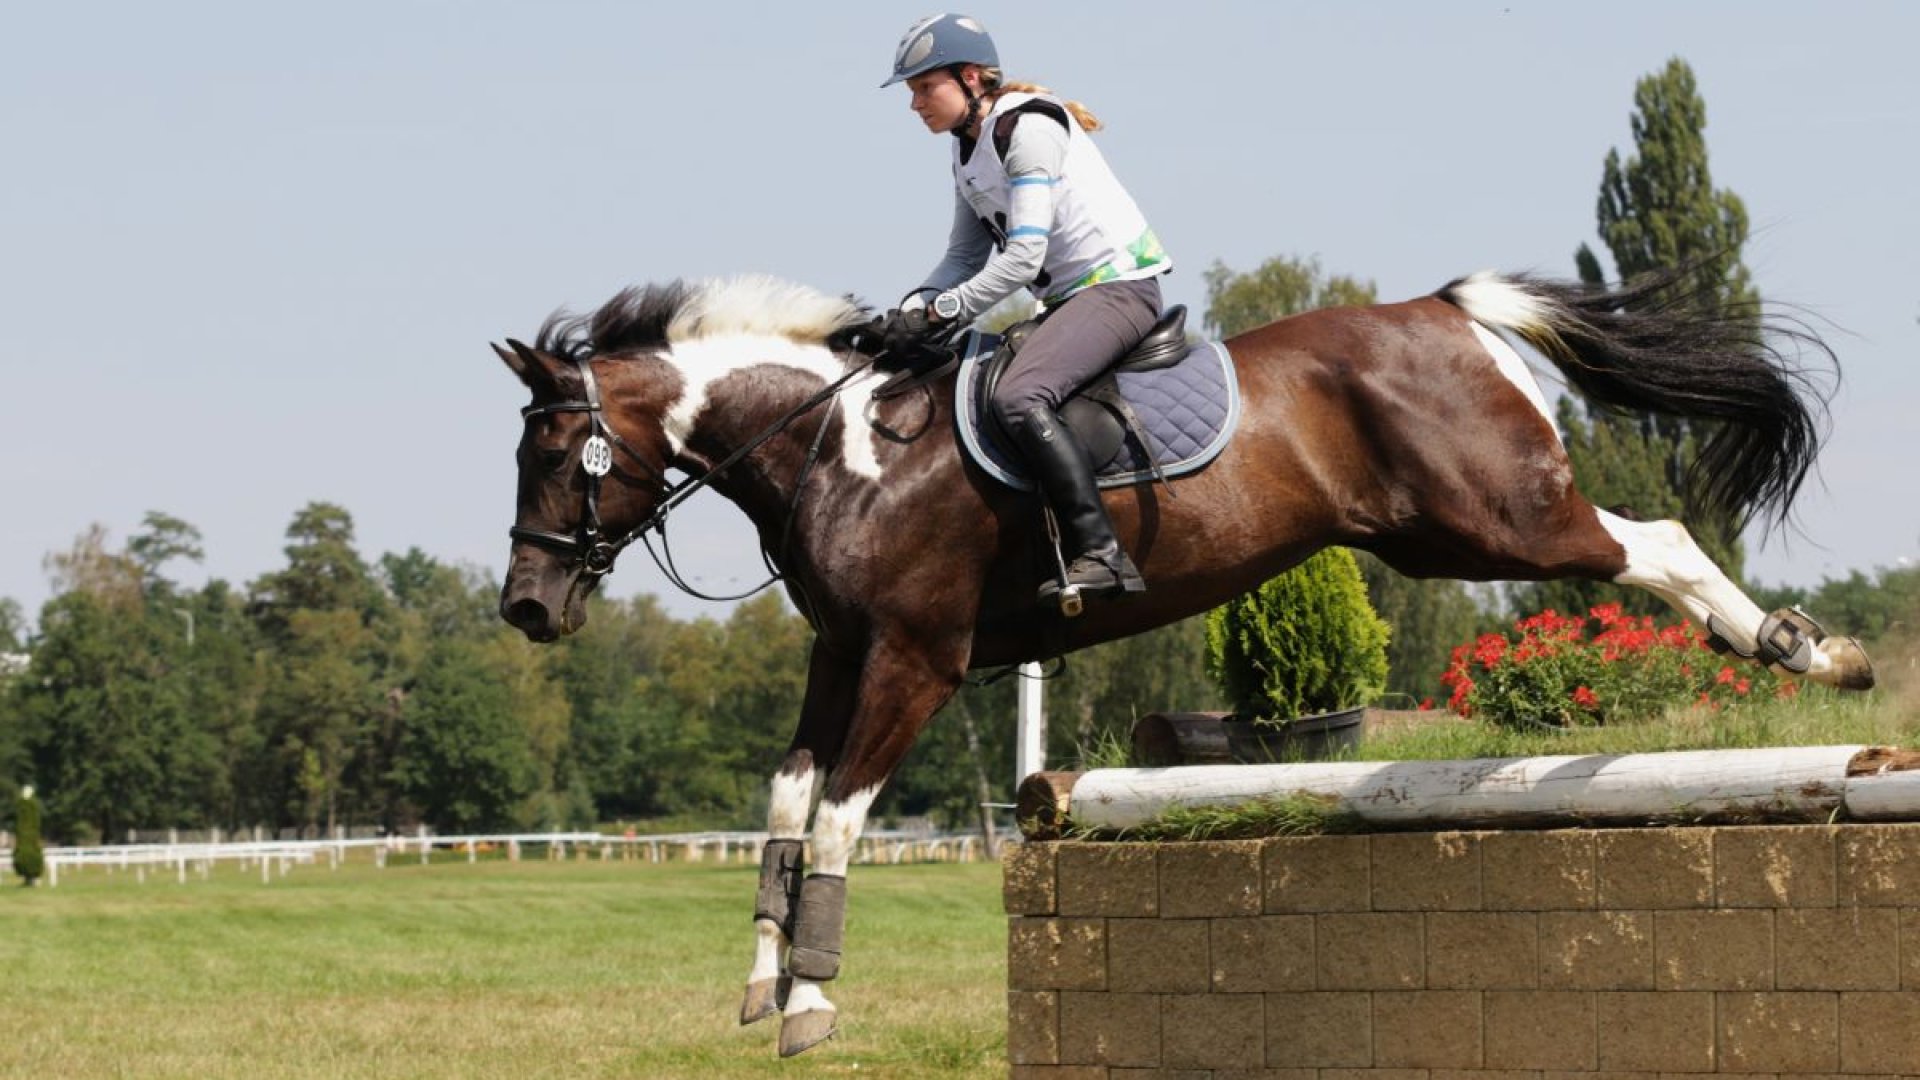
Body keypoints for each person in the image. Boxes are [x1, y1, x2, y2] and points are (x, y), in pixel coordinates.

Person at [879, 13, 1173, 608]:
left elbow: (1023, 257)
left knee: (1018, 396)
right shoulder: (965, 149)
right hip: (1068, 301)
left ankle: (1102, 552)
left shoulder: (1028, 129)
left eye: (924, 87)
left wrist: (944, 312)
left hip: (1119, 290)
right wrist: (910, 307)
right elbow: (964, 256)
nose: (915, 104)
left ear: (969, 78)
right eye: (911, 91)